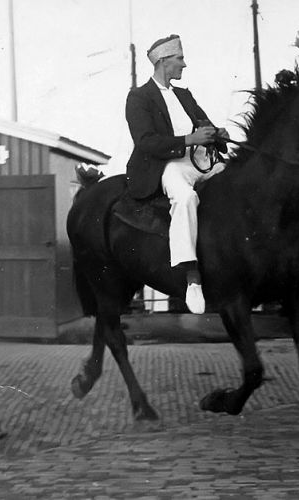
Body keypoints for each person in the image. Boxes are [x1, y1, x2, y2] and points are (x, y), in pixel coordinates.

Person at [125, 34, 230, 314]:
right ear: (163, 62)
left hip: (201, 161)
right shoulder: (139, 97)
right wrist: (189, 139)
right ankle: (192, 278)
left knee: (237, 183)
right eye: (179, 59)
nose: (184, 65)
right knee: (184, 199)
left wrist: (217, 133)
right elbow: (146, 142)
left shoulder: (184, 95)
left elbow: (203, 124)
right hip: (168, 165)